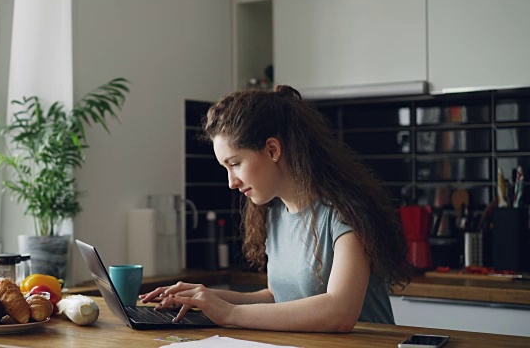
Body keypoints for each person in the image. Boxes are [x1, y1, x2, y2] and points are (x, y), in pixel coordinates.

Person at [140, 85, 412, 332]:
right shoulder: (275, 214)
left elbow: (339, 313)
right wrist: (204, 296)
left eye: (235, 164)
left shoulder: (345, 213)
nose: (231, 183)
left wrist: (230, 312)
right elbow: (275, 297)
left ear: (272, 150)